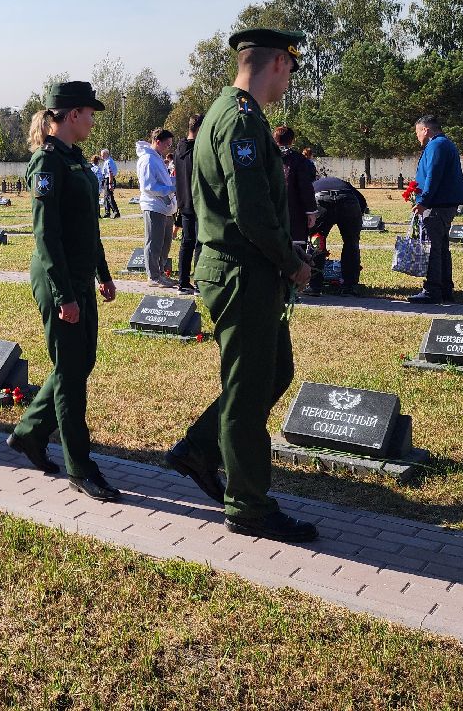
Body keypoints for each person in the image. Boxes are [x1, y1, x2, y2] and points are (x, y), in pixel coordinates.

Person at [164, 28, 317, 544]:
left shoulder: (229, 114)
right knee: (250, 390)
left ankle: (201, 446)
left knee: (274, 371)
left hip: (244, 267)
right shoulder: (242, 121)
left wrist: (284, 252)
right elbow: (250, 212)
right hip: (242, 270)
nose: (290, 81)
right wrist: (290, 262)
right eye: (291, 70)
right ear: (277, 63)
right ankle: (249, 504)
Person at [7, 81, 120, 502]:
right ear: (72, 114)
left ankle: (29, 433)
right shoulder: (47, 163)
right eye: (90, 112)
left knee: (80, 361)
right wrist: (64, 294)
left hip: (79, 275)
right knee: (71, 373)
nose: (93, 119)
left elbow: (87, 225)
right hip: (59, 279)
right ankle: (80, 467)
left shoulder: (75, 160)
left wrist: (104, 272)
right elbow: (47, 235)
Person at [408, 115, 463, 305]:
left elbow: (434, 175)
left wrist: (424, 200)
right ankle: (444, 288)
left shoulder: (437, 145)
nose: (417, 137)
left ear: (425, 130)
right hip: (442, 204)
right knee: (441, 247)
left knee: (432, 248)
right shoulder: (444, 143)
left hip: (436, 205)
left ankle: (432, 290)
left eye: (417, 132)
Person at [307, 175, 368, 296]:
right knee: (351, 243)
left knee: (317, 241)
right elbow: (362, 202)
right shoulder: (344, 184)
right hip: (348, 200)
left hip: (321, 200)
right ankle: (350, 287)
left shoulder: (313, 185)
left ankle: (314, 286)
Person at [136, 127, 178, 288]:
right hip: (154, 206)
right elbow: (148, 186)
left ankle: (160, 273)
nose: (169, 147)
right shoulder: (147, 159)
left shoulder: (157, 158)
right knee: (154, 242)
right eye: (167, 144)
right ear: (157, 141)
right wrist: (171, 189)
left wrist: (175, 184)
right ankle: (153, 276)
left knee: (165, 243)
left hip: (165, 207)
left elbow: (163, 181)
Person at [273, 125, 317, 258]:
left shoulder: (264, 158)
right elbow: (305, 187)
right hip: (294, 216)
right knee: (296, 255)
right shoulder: (299, 161)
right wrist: (311, 212)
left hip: (270, 216)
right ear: (292, 141)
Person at [172, 114, 202, 295]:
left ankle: (183, 282)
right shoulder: (196, 150)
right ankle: (199, 282)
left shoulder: (178, 150)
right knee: (200, 243)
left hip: (184, 201)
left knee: (187, 243)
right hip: (197, 201)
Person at [100, 149, 120, 218]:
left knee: (109, 197)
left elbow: (110, 173)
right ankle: (107, 212)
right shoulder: (107, 161)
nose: (101, 156)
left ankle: (116, 212)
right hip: (106, 180)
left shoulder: (109, 161)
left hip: (109, 180)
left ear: (106, 154)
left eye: (102, 155)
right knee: (106, 197)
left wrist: (110, 183)